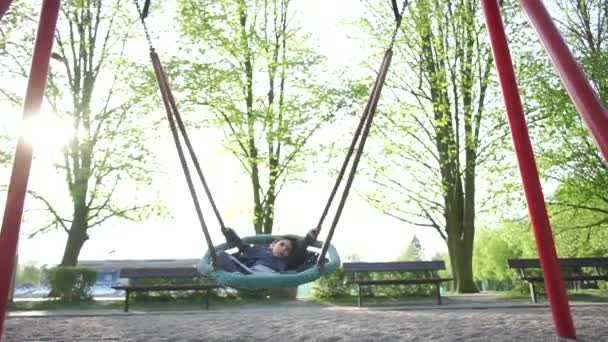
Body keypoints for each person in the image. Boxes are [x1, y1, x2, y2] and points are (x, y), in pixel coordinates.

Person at [215, 227, 318, 274]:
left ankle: (237, 276)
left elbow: (299, 252)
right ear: (273, 244)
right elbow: (243, 246)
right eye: (282, 244)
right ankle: (236, 275)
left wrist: (308, 238)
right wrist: (231, 235)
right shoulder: (260, 251)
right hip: (247, 272)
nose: (284, 249)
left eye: (288, 250)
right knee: (220, 255)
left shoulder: (285, 261)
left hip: (267, 276)